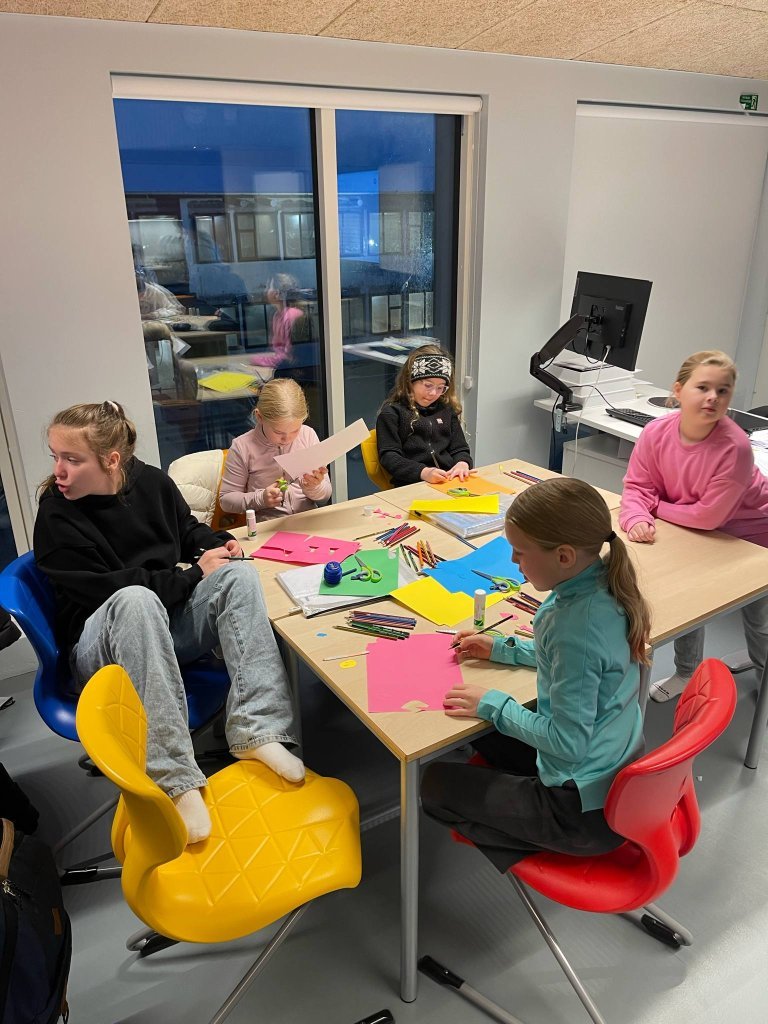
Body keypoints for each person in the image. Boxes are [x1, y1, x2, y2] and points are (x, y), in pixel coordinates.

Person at [33, 401, 304, 846]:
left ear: (111, 460)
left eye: (72, 459)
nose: (58, 471)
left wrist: (218, 545)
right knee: (135, 600)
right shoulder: (56, 514)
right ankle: (174, 779)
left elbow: (186, 531)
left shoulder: (152, 483)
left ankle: (258, 730)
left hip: (158, 625)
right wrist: (194, 575)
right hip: (101, 651)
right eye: (56, 457)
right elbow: (107, 592)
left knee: (238, 576)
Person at [421, 477, 650, 872]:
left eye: (520, 552)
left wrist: (496, 704)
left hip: (582, 812)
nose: (513, 561)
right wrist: (503, 649)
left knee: (434, 783)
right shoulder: (600, 583)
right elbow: (573, 663)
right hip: (611, 774)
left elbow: (567, 743)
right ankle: (523, 810)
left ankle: (543, 843)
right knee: (482, 732)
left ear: (563, 556)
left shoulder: (576, 626)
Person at [619, 349, 768, 702]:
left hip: (753, 537)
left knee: (759, 619)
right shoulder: (656, 433)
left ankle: (764, 678)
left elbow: (708, 516)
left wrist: (655, 507)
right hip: (695, 531)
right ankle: (687, 672)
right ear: (678, 390)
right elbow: (637, 487)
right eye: (703, 387)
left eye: (723, 390)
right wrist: (637, 516)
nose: (713, 397)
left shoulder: (735, 447)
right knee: (688, 602)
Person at [219, 378, 331, 521]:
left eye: (295, 430)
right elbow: (226, 501)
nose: (287, 439)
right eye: (278, 432)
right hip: (268, 525)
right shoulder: (242, 447)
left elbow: (326, 495)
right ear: (259, 417)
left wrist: (314, 488)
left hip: (308, 520)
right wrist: (260, 499)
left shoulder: (307, 435)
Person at [375, 343, 473, 487]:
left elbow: (460, 448)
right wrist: (423, 472)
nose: (433, 393)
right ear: (410, 381)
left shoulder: (446, 410)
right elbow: (389, 457)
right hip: (412, 484)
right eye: (428, 385)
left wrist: (462, 463)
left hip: (449, 481)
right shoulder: (392, 414)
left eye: (441, 388)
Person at [250, 274, 306, 369]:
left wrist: (260, 360)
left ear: (277, 293)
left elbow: (289, 356)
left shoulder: (291, 315)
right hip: (281, 364)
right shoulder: (277, 315)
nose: (265, 290)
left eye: (269, 287)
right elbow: (277, 349)